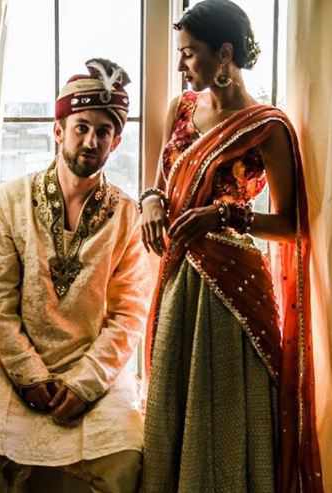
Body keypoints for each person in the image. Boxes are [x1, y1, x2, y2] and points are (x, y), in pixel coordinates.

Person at [139, 1, 324, 492]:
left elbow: (291, 225)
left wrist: (224, 213)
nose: (180, 65)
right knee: (173, 412)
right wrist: (150, 202)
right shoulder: (181, 109)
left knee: (220, 413)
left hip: (229, 291)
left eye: (189, 54)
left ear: (224, 55)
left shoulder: (268, 127)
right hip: (180, 282)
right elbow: (160, 183)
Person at [0, 58, 151, 493]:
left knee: (125, 461)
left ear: (116, 142)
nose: (91, 140)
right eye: (81, 127)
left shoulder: (126, 214)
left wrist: (85, 383)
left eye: (104, 131)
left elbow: (129, 313)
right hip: (14, 368)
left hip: (93, 370)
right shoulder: (11, 200)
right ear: (58, 129)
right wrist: (30, 374)